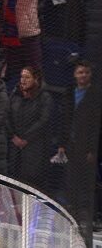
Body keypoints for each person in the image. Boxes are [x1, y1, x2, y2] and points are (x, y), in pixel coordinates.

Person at [57, 60, 102, 243]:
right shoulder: (69, 93)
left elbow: (97, 125)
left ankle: (90, 217)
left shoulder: (96, 95)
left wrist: (93, 149)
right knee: (71, 180)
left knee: (87, 182)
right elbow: (64, 120)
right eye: (80, 72)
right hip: (71, 145)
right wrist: (62, 144)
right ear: (75, 75)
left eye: (86, 72)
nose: (83, 75)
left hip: (88, 147)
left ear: (90, 74)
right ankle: (72, 214)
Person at [7, 65, 52, 190]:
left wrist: (26, 139)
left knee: (29, 184)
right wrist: (13, 137)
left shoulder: (44, 97)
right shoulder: (15, 94)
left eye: (27, 77)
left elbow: (43, 121)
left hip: (34, 148)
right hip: (15, 146)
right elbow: (6, 116)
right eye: (22, 77)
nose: (23, 80)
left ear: (36, 79)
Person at [0, 0, 42, 81]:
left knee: (33, 69)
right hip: (11, 38)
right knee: (15, 71)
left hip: (28, 37)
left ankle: (35, 90)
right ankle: (17, 90)